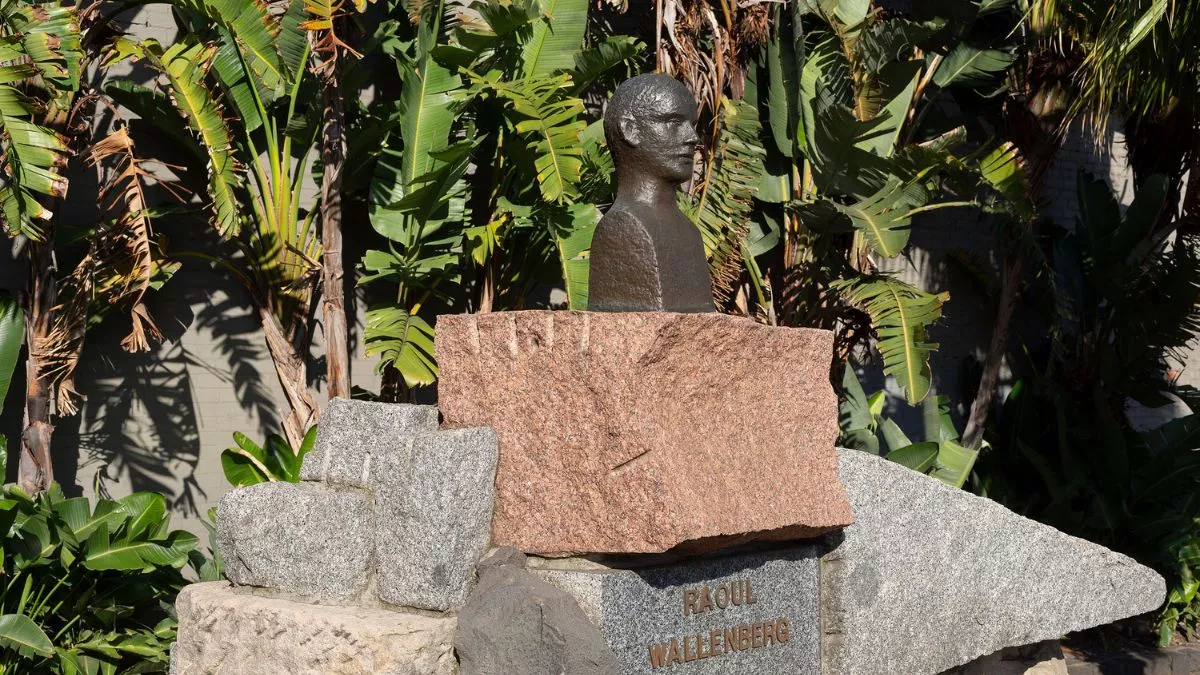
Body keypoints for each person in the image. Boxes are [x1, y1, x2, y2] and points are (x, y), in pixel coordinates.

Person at [588, 73, 714, 313]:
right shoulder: (623, 227)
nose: (692, 138)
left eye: (692, 125)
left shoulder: (689, 232)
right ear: (630, 130)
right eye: (673, 123)